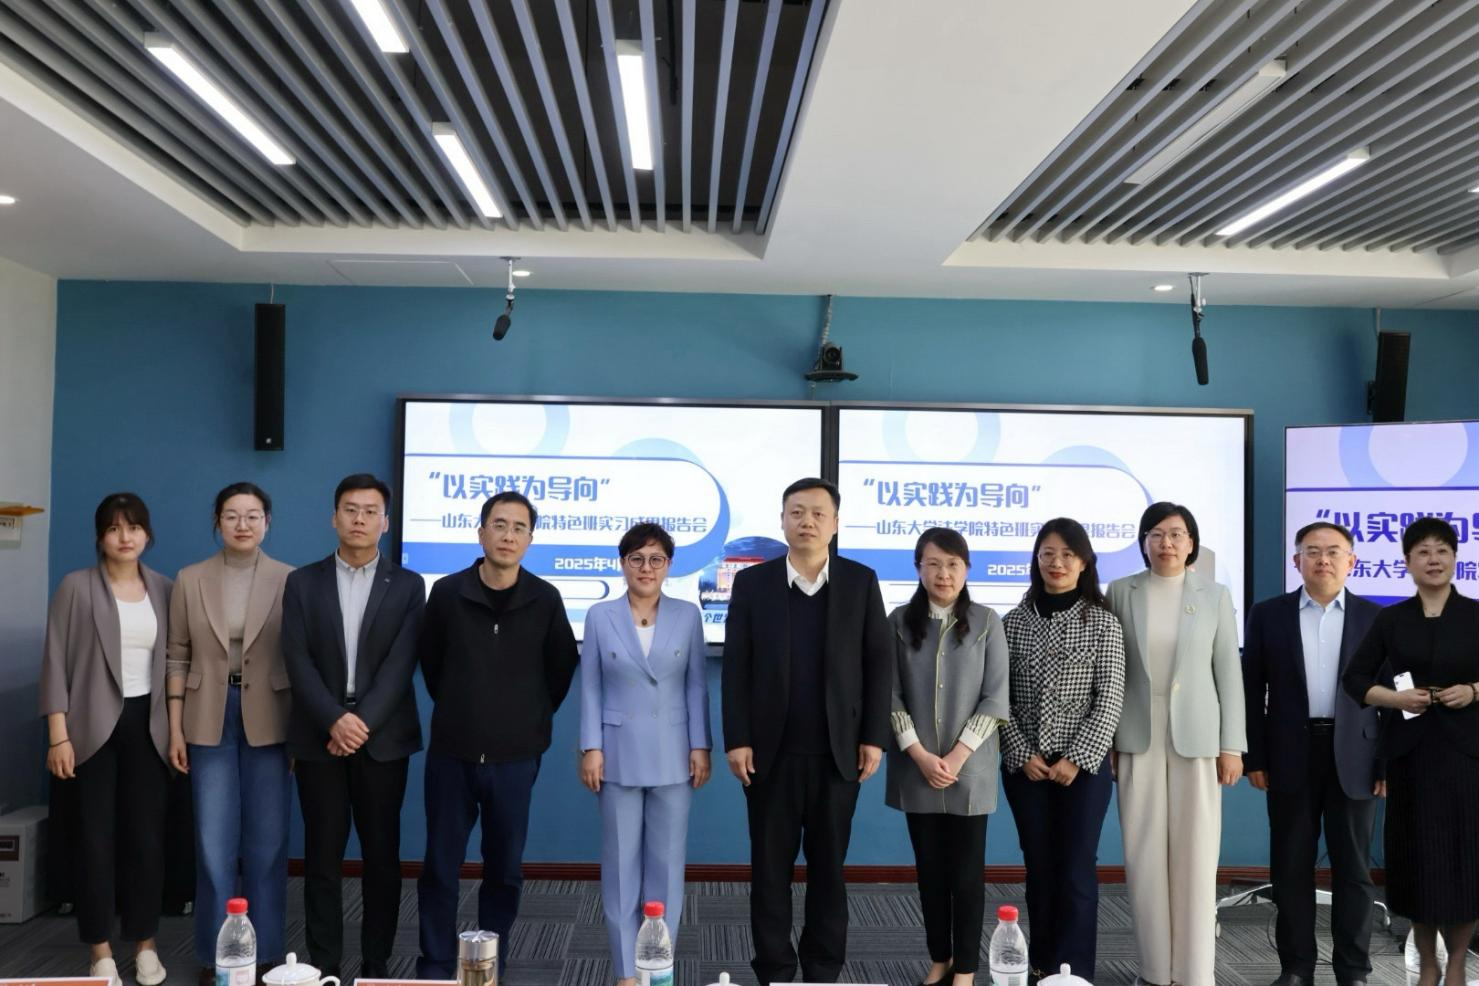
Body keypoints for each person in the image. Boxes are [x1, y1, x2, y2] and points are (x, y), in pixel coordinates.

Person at [721, 477, 892, 985]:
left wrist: (874, 737)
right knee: (769, 871)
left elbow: (879, 664)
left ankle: (821, 970)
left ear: (835, 523)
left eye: (818, 513)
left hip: (838, 755)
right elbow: (736, 667)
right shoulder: (753, 584)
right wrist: (737, 738)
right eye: (797, 512)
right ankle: (774, 969)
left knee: (828, 871)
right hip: (768, 756)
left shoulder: (860, 582)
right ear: (782, 520)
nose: (807, 522)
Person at [416, 491, 580, 979]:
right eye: (500, 525)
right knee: (440, 866)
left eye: (519, 528)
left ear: (530, 539)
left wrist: (525, 718)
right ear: (481, 532)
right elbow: (432, 664)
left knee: (504, 869)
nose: (509, 535)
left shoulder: (545, 599)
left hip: (515, 757)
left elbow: (560, 670)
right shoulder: (447, 593)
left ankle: (490, 965)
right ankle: (436, 964)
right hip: (453, 753)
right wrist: (463, 708)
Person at [281, 474, 426, 980]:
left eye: (370, 511)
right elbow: (297, 660)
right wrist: (334, 719)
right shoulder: (302, 582)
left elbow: (401, 664)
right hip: (320, 736)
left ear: (385, 522)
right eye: (350, 509)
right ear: (334, 517)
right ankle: (325, 962)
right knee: (321, 856)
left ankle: (376, 963)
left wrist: (359, 723)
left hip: (382, 738)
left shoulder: (408, 585)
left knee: (382, 855)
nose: (359, 519)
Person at [1106, 501, 1245, 986]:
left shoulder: (1214, 595)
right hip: (1136, 734)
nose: (1167, 543)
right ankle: (1154, 969)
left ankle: (1194, 971)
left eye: (1177, 534)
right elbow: (1112, 669)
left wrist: (1232, 745)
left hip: (1199, 736)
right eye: (1157, 534)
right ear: (1143, 542)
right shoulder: (1121, 591)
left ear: (1192, 543)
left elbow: (1229, 673)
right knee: (1143, 855)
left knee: (1196, 855)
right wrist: (1108, 739)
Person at [39, 493, 173, 986]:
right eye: (114, 528)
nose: (125, 537)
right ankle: (99, 952)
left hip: (149, 726)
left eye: (133, 527)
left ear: (147, 534)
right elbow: (55, 661)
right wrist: (58, 735)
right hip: (90, 728)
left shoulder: (164, 588)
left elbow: (174, 664)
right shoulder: (76, 587)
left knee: (146, 840)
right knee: (94, 841)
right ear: (100, 536)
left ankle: (145, 944)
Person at [1243, 521, 1383, 986]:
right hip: (1289, 754)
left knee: (1355, 871)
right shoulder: (1268, 615)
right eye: (1312, 551)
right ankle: (1296, 968)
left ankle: (1353, 970)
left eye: (1333, 551)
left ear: (1351, 561)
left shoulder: (1376, 619)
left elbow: (1393, 696)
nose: (1323, 559)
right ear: (1296, 560)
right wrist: (1255, 757)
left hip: (1357, 757)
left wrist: (1387, 762)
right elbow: (1251, 691)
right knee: (1290, 868)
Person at [166, 481, 294, 985]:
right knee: (213, 844)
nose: (243, 524)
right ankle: (217, 958)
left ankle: (265, 955)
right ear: (217, 522)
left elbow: (300, 658)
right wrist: (175, 727)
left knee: (268, 843)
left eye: (253, 515)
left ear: (268, 522)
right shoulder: (190, 578)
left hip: (271, 715)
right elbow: (177, 654)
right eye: (232, 515)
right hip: (206, 714)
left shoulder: (290, 579)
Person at [1343, 517, 1479, 986]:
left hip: (1467, 756)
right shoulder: (1392, 619)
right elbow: (1355, 679)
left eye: (1442, 550)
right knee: (1419, 862)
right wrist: (1396, 698)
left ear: (1455, 558)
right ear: (1407, 562)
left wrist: (1474, 691)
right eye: (1423, 552)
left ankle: (1457, 963)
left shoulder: (1476, 614)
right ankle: (1428, 962)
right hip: (1411, 756)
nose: (1433, 559)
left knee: (1464, 863)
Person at [578, 522, 712, 986]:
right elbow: (590, 686)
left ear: (668, 566)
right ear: (623, 564)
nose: (646, 568)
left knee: (667, 869)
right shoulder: (600, 616)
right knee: (620, 868)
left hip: (675, 754)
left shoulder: (688, 615)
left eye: (656, 559)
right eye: (636, 558)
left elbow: (696, 685)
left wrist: (701, 745)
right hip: (616, 755)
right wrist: (590, 746)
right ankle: (625, 972)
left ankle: (658, 969)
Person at [1001, 518, 1125, 983]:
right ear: (1036, 560)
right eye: (1047, 554)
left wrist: (1077, 757)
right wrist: (1020, 752)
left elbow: (1109, 698)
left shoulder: (1104, 623)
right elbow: (998, 698)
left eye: (1067, 555)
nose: (1057, 563)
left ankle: (1075, 973)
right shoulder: (1012, 623)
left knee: (1076, 868)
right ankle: (1041, 966)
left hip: (1084, 769)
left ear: (1085, 562)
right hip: (1026, 768)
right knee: (1039, 868)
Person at [885, 527, 1010, 986]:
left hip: (969, 770)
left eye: (953, 564)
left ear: (967, 569)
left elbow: (996, 697)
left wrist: (957, 756)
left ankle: (966, 969)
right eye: (933, 564)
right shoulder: (899, 621)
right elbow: (889, 694)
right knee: (930, 872)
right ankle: (939, 958)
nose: (943, 574)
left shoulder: (987, 621)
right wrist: (918, 753)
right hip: (916, 767)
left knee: (967, 874)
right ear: (918, 568)